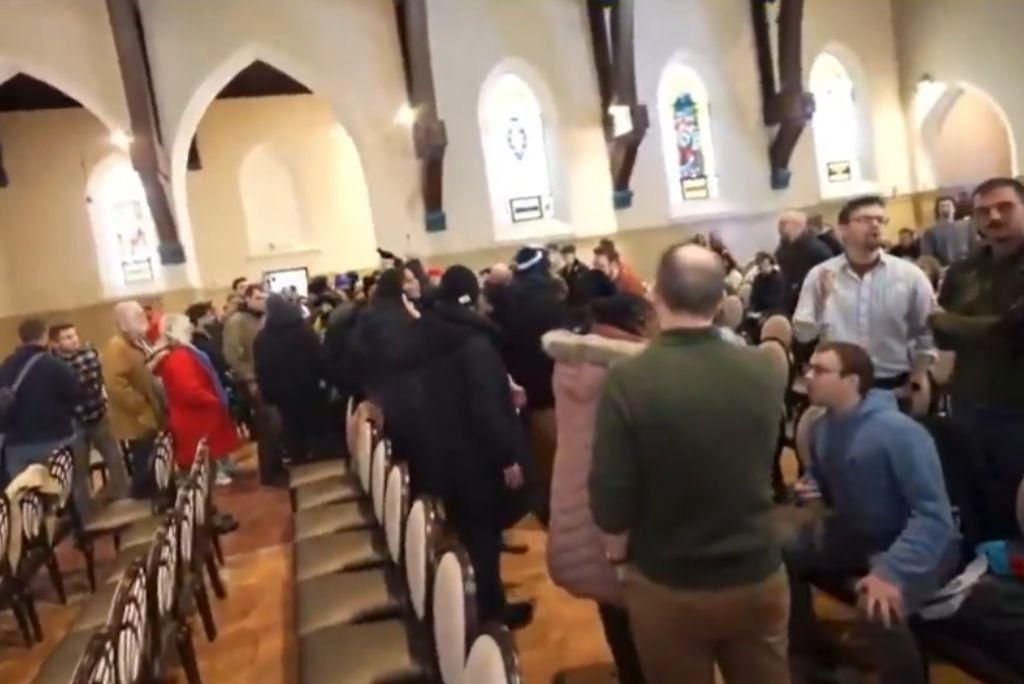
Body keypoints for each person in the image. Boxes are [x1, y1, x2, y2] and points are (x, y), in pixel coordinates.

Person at [590, 243, 789, 684]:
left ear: (655, 296)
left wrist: (617, 558)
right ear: (720, 300)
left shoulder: (628, 378)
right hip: (757, 569)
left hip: (668, 580)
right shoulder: (764, 367)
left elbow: (611, 492)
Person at [787, 342, 959, 684]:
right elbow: (822, 481)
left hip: (920, 544)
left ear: (852, 381)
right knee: (777, 549)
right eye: (809, 368)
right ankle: (813, 651)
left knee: (878, 603)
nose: (808, 376)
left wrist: (891, 570)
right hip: (861, 534)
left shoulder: (900, 433)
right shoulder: (823, 427)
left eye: (820, 370)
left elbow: (933, 517)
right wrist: (809, 487)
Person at [544, 293, 656, 684]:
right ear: (637, 323)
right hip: (619, 511)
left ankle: (629, 672)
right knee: (641, 610)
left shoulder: (568, 365)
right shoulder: (631, 374)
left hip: (575, 501)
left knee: (609, 604)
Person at [414, 265, 533, 628]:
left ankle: (480, 601)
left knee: (470, 532)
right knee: (484, 535)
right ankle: (491, 611)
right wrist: (507, 457)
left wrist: (502, 385)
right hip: (477, 455)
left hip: (443, 448)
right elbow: (484, 407)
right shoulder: (473, 342)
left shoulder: (427, 331)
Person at [931, 177, 1024, 540]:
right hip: (969, 405)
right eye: (984, 211)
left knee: (1015, 506)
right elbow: (940, 335)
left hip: (1018, 409)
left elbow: (1014, 331)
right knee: (975, 502)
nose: (994, 217)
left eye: (1005, 207)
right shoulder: (962, 271)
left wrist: (948, 321)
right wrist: (956, 326)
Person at [793, 195, 937, 395]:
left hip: (894, 384)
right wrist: (821, 303)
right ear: (843, 229)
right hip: (839, 385)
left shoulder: (910, 276)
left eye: (880, 220)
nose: (875, 225)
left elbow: (926, 333)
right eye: (865, 219)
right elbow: (803, 335)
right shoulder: (820, 275)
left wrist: (918, 377)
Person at [493, 246, 570, 525]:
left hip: (519, 394)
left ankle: (541, 510)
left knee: (535, 459)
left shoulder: (504, 303)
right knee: (560, 459)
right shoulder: (552, 303)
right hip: (551, 394)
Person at [148, 314, 239, 481]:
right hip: (196, 415)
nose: (190, 327)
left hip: (194, 414)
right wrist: (213, 400)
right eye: (187, 325)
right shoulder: (179, 357)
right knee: (204, 459)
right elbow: (189, 390)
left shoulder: (179, 353)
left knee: (205, 456)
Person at [49, 323, 130, 502]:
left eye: (74, 335)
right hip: (74, 421)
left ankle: (122, 496)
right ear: (55, 343)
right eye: (67, 337)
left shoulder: (89, 354)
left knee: (115, 458)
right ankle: (84, 506)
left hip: (98, 413)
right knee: (79, 468)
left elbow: (97, 380)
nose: (74, 340)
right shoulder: (52, 364)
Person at [254, 295, 333, 471]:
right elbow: (317, 355)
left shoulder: (263, 337)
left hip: (281, 390)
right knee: (311, 418)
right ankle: (317, 454)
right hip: (307, 385)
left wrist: (266, 389)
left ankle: (297, 456)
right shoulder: (304, 330)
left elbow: (261, 366)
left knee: (290, 423)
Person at [0, 318, 81, 484]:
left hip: (17, 444)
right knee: (60, 490)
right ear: (45, 337)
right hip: (55, 439)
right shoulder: (55, 365)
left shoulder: (6, 366)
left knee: (23, 493)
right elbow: (76, 395)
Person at [101, 301, 164, 498]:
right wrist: (140, 405)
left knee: (152, 455)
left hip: (148, 412)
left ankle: (156, 489)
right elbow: (115, 385)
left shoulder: (135, 342)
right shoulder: (116, 347)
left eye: (142, 316)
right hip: (136, 417)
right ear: (123, 324)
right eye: (137, 318)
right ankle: (145, 495)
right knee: (144, 458)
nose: (143, 321)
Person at [223, 283, 266, 435]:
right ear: (247, 299)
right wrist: (249, 377)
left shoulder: (265, 317)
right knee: (266, 421)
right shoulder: (237, 321)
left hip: (269, 375)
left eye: (264, 297)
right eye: (258, 298)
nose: (262, 301)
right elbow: (231, 354)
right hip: (252, 378)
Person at [775, 210, 833, 316]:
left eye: (784, 224)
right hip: (789, 301)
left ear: (797, 226)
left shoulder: (816, 249)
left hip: (810, 303)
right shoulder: (783, 248)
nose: (780, 228)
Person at [921, 195, 973, 267]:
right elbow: (928, 257)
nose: (945, 208)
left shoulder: (966, 226)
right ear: (937, 210)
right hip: (944, 269)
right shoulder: (930, 232)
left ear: (954, 208)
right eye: (942, 206)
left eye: (948, 205)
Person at [748, 252, 785, 317]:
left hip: (771, 312)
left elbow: (775, 301)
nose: (762, 266)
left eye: (765, 264)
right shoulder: (758, 278)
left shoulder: (777, 279)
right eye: (761, 264)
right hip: (757, 311)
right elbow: (753, 297)